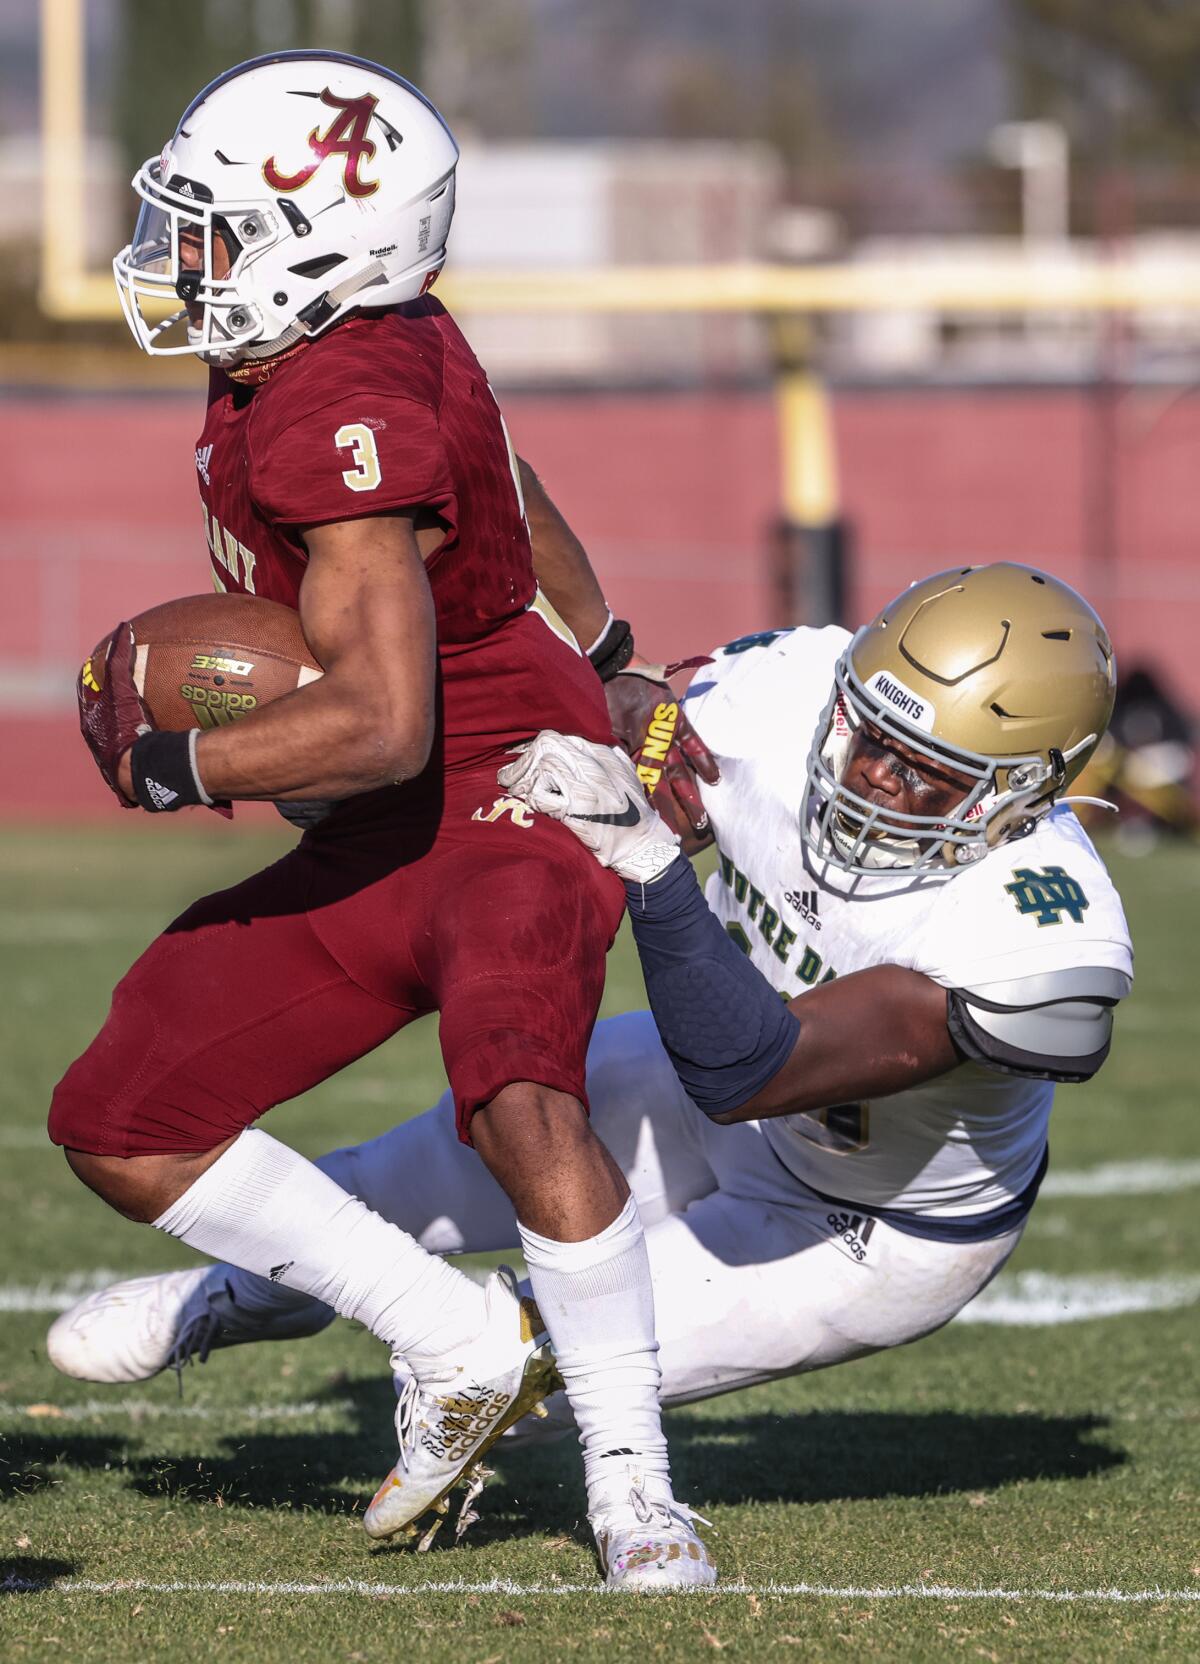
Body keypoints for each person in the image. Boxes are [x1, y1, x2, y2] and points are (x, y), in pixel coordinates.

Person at [52, 49, 716, 1590]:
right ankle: (458, 1338)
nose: (180, 257)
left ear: (322, 248)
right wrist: (612, 649)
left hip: (506, 783)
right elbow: (516, 474)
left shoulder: (334, 409)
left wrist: (177, 769)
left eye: (214, 227)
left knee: (519, 1096)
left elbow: (381, 721)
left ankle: (635, 1485)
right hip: (396, 806)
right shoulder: (365, 335)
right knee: (122, 1118)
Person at [53, 566, 1132, 1458]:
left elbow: (750, 1065)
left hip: (862, 1220)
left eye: (927, 773)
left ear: (1021, 794)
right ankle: (238, 1291)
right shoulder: (792, 690)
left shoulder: (1039, 936)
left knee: (527, 1362)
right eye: (869, 734)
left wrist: (656, 866)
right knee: (402, 1177)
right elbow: (614, 722)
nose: (874, 777)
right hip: (703, 1086)